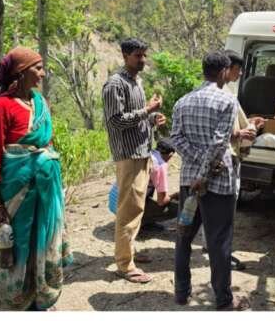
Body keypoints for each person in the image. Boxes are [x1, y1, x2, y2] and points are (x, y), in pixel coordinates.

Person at [0, 47, 72, 310]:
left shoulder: (40, 102)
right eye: (38, 68)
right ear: (21, 73)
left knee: (45, 240)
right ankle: (13, 303)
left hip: (46, 186)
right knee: (21, 243)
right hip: (17, 190)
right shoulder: (2, 107)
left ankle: (40, 295)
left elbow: (48, 142)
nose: (43, 74)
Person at [171, 51, 253, 310]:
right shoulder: (227, 101)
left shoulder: (182, 102)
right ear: (222, 72)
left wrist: (196, 168)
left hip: (188, 181)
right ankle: (224, 300)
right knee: (219, 242)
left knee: (184, 238)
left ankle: (181, 293)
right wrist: (204, 174)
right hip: (219, 181)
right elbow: (220, 142)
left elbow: (176, 138)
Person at [101, 38, 166, 284]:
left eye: (144, 55)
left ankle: (129, 252)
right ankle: (124, 265)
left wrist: (152, 120)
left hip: (142, 152)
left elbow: (136, 120)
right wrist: (147, 111)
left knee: (137, 208)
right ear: (126, 55)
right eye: (138, 55)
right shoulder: (115, 85)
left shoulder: (136, 82)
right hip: (128, 156)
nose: (143, 60)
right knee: (128, 210)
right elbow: (116, 121)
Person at [223, 50, 265, 270]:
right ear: (226, 69)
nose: (240, 75)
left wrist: (246, 123)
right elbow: (234, 134)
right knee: (226, 208)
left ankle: (214, 247)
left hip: (204, 165)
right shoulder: (227, 97)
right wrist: (250, 128)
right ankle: (221, 254)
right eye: (238, 70)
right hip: (226, 162)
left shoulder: (194, 96)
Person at [140, 139, 179, 230]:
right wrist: (175, 195)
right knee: (177, 208)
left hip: (115, 201)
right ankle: (143, 222)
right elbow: (162, 201)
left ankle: (146, 221)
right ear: (170, 154)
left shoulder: (145, 154)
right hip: (129, 207)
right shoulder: (160, 164)